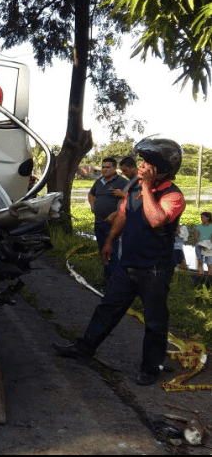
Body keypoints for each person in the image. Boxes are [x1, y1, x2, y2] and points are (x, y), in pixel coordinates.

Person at [53, 138, 186, 386]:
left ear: (163, 168)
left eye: (148, 163)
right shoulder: (135, 185)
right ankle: (84, 348)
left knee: (155, 321)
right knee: (108, 308)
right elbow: (124, 213)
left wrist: (146, 188)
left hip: (155, 269)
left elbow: (156, 219)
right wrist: (108, 242)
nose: (142, 166)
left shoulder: (173, 195)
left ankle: (151, 366)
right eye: (143, 162)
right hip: (128, 264)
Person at [88, 157, 128, 278]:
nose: (104, 170)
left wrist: (122, 195)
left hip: (114, 223)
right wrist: (92, 204)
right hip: (99, 222)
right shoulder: (99, 181)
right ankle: (107, 274)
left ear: (115, 168)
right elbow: (91, 193)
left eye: (107, 167)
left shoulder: (122, 182)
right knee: (102, 249)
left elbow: (134, 197)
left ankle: (114, 278)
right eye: (103, 167)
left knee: (113, 251)